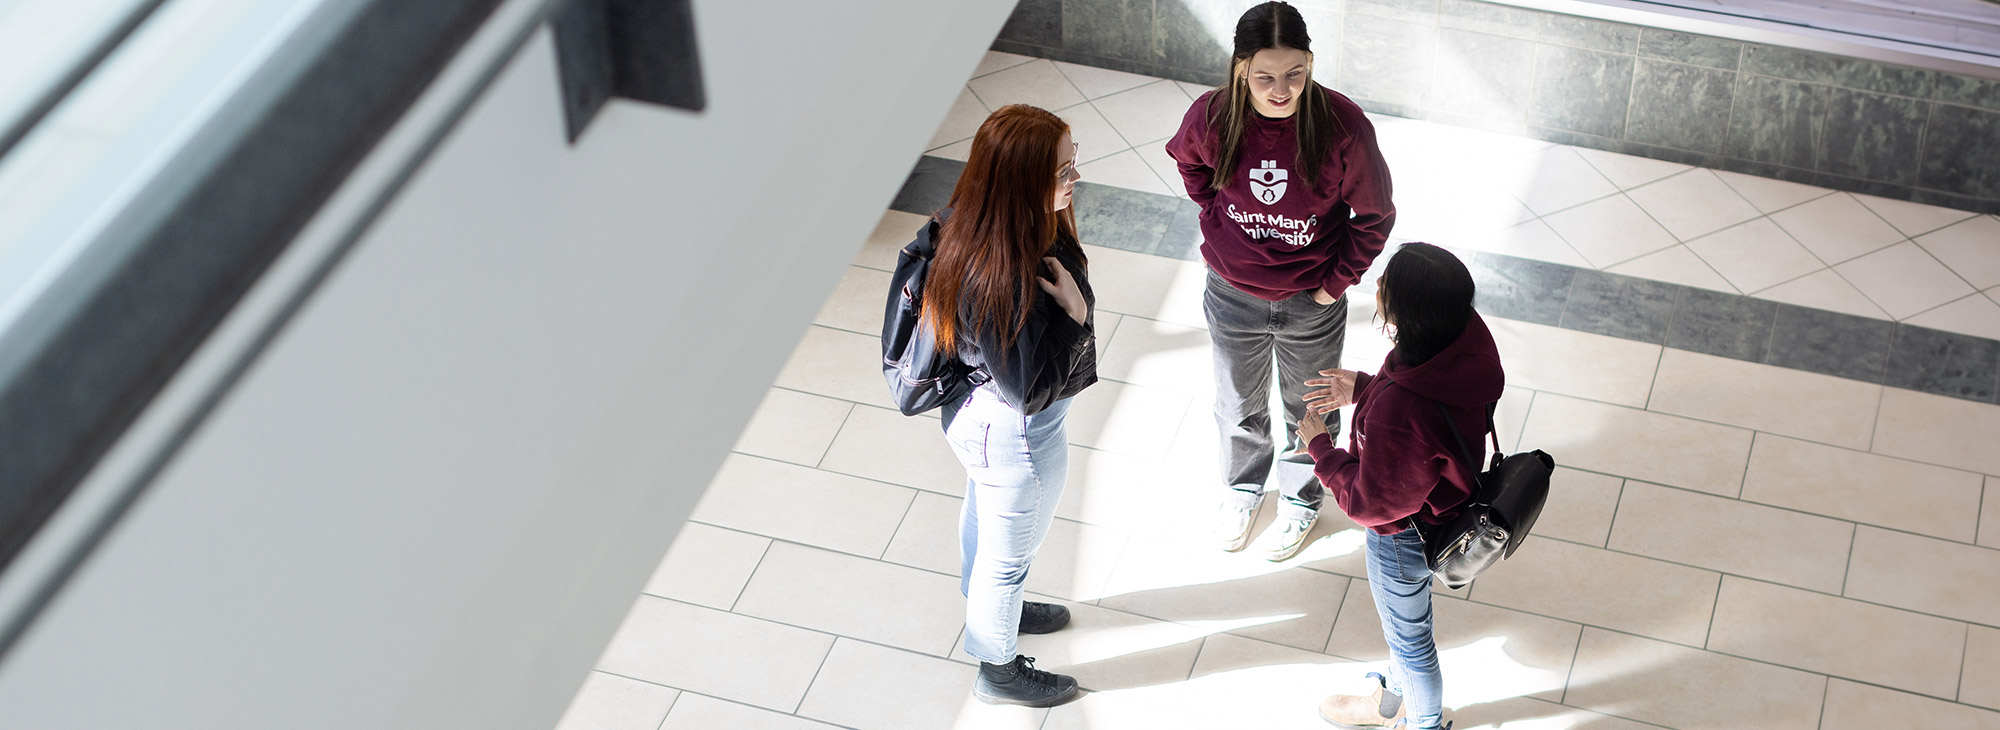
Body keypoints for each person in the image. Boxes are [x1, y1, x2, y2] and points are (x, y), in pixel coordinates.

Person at [1165, 0, 1395, 561]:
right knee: (1237, 400)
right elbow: (1188, 163)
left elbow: (1375, 215)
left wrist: (1332, 286)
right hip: (1232, 292)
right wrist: (1218, 218)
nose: (1280, 89)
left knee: (1309, 405)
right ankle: (1243, 488)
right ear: (1241, 67)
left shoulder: (1343, 126)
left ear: (1311, 63)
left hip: (1310, 300)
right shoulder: (1213, 116)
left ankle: (1301, 496)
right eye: (1264, 76)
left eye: (1294, 73)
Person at [924, 104, 1096, 708]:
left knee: (984, 511)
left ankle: (988, 605)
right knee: (1010, 557)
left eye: (1075, 162)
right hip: (1016, 434)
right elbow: (1029, 385)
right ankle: (996, 669)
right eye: (1062, 170)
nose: (1075, 177)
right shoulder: (1003, 273)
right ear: (1021, 182)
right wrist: (1075, 315)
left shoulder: (973, 222)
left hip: (975, 417)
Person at [1296, 242, 1503, 730]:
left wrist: (1321, 449)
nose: (1377, 286)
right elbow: (1431, 422)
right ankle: (1389, 705)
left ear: (1409, 313)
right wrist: (1369, 389)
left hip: (1403, 536)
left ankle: (1423, 724)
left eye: (1386, 282)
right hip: (1446, 504)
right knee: (1405, 631)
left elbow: (1371, 503)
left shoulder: (1401, 411)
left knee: (1411, 643)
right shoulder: (1466, 340)